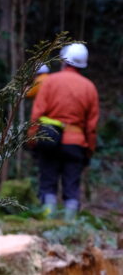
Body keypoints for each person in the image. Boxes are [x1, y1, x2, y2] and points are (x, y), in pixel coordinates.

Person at [30, 42, 99, 216]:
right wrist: (89, 150)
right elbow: (91, 127)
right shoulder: (89, 88)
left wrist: (32, 140)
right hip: (76, 143)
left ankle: (48, 224)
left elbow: (36, 114)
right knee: (71, 186)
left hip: (49, 140)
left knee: (47, 183)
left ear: (64, 60)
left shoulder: (50, 82)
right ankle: (69, 230)